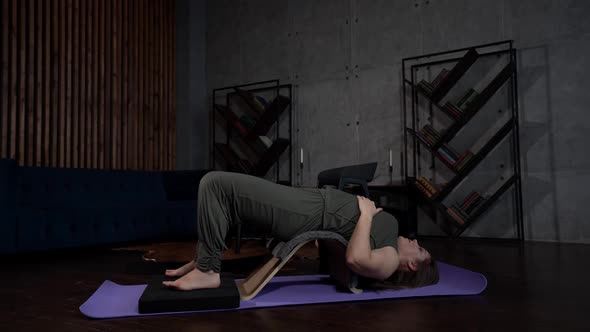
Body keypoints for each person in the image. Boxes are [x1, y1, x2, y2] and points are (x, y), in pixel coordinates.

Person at [163, 171, 439, 291]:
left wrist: (366, 215)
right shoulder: (390, 238)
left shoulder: (390, 260)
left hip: (307, 212)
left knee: (214, 184)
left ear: (413, 264)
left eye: (420, 248)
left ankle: (209, 271)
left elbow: (356, 259)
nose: (415, 241)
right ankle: (205, 259)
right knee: (227, 199)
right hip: (308, 204)